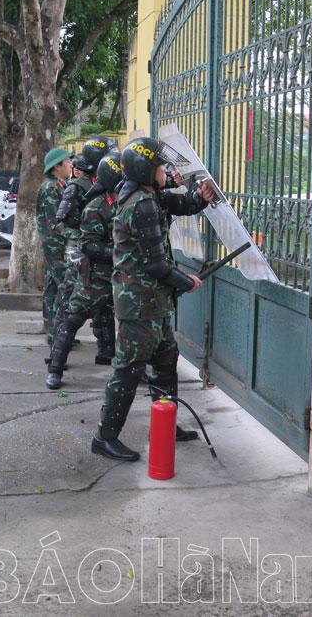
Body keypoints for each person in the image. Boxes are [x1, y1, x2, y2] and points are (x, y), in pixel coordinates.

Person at [92, 137, 215, 461]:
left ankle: (167, 423)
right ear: (147, 170)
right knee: (129, 371)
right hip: (139, 304)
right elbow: (155, 264)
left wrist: (199, 198)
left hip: (153, 303)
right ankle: (105, 437)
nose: (166, 171)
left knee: (164, 364)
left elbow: (177, 204)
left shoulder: (146, 194)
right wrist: (186, 281)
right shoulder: (141, 203)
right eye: (161, 166)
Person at [46, 152, 122, 389]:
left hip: (118, 275)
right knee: (73, 318)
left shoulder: (123, 203)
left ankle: (116, 360)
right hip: (94, 276)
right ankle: (55, 369)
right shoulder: (95, 207)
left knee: (115, 319)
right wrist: (118, 252)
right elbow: (89, 244)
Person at [37, 147, 74, 340]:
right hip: (56, 248)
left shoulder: (59, 185)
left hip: (56, 247)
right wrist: (75, 237)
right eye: (67, 162)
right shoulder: (51, 188)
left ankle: (54, 332)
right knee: (64, 290)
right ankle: (58, 335)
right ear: (57, 166)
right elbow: (56, 222)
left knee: (52, 289)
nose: (70, 164)